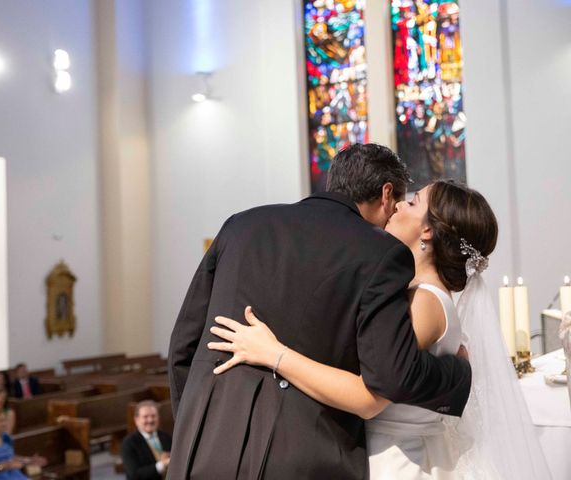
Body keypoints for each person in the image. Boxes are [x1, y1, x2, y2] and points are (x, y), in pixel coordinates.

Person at [167, 143, 471, 479]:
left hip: (204, 445)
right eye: (399, 202)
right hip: (306, 454)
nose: (395, 215)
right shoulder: (381, 253)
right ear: (386, 194)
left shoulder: (240, 225)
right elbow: (390, 375)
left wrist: (191, 427)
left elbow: (184, 343)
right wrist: (458, 374)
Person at [210, 180, 551, 479]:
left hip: (397, 462)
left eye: (414, 201)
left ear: (428, 231)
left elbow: (367, 397)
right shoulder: (417, 294)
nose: (400, 204)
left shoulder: (426, 302)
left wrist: (274, 353)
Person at [0, 408, 45, 479]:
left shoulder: (6, 437)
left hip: (13, 475)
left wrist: (29, 460)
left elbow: (10, 457)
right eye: (1, 421)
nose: (5, 424)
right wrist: (5, 466)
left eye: (5, 420)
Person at [121, 401, 172, 480]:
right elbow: (134, 474)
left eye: (153, 416)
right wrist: (162, 465)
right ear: (136, 420)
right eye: (145, 417)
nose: (150, 420)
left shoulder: (166, 437)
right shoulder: (128, 443)